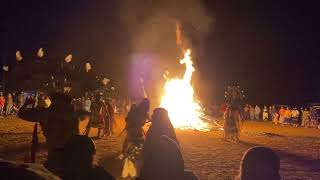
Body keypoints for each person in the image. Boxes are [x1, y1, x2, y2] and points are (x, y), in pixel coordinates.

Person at [18, 92, 90, 176]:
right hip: (73, 155)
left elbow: (21, 114)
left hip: (55, 156)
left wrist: (27, 104)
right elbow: (85, 114)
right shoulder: (74, 114)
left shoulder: (45, 113)